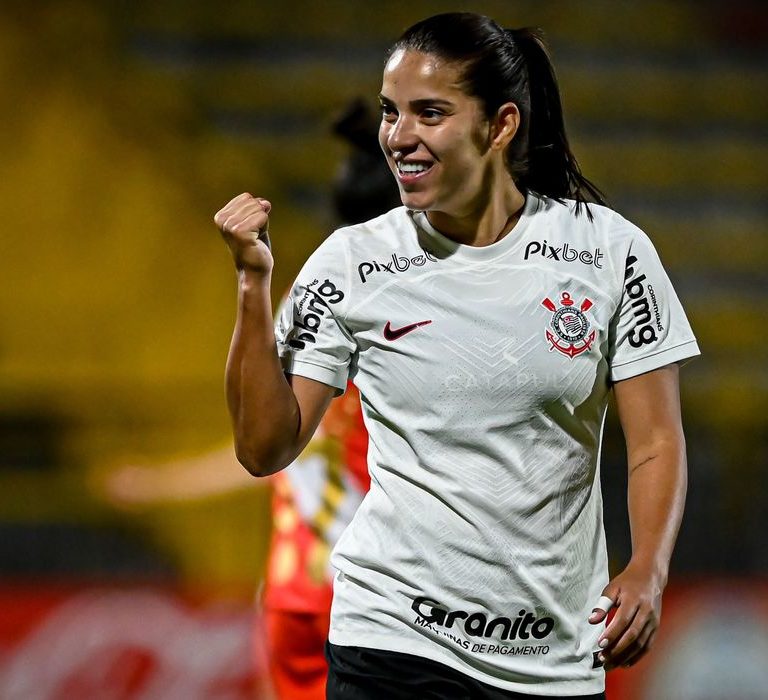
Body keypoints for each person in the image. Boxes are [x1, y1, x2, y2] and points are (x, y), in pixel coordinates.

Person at [214, 12, 699, 699]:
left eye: (429, 113)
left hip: (553, 654)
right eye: (391, 112)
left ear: (500, 126)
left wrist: (648, 568)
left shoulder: (609, 253)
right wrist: (252, 284)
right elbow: (263, 448)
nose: (399, 137)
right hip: (390, 639)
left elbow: (656, 441)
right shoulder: (353, 263)